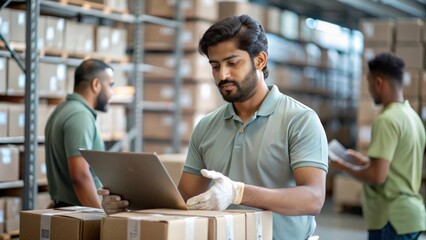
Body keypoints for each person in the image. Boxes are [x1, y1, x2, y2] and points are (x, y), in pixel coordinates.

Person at [99, 15, 328, 239]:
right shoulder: (207, 126)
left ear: (259, 61)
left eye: (232, 63)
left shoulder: (300, 120)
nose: (222, 75)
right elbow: (186, 199)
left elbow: (313, 198)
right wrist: (128, 206)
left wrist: (238, 192)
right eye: (215, 66)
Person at [329, 53, 426, 239]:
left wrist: (344, 167)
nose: (369, 89)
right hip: (410, 217)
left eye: (369, 82)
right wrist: (365, 161)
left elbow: (377, 176)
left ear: (379, 82)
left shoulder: (386, 120)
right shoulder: (412, 117)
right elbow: (399, 165)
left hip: (391, 219)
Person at [45, 59, 114, 208]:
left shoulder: (62, 109)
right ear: (96, 85)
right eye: (110, 85)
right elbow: (80, 176)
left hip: (66, 210)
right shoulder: (80, 116)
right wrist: (100, 218)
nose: (111, 93)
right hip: (79, 215)